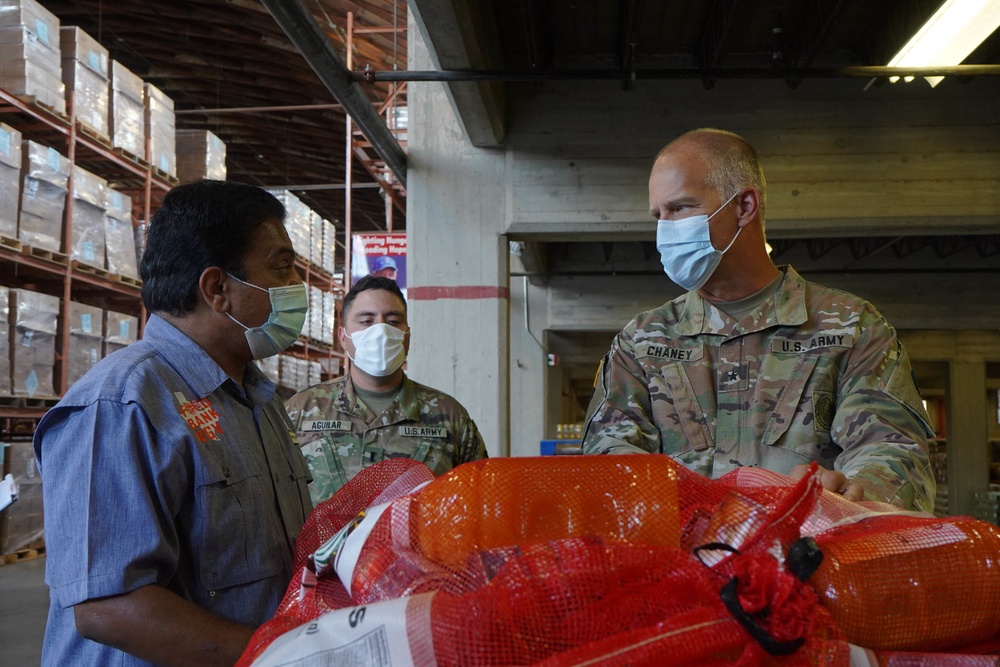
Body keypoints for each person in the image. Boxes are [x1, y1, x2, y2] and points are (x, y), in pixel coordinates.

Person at [33, 180, 313, 666]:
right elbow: (109, 607)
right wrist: (286, 655)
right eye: (282, 267)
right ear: (218, 289)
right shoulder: (124, 404)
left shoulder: (260, 400)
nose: (296, 288)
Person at [583, 128, 936, 513]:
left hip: (809, 560)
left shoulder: (850, 329)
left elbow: (892, 448)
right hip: (684, 565)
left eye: (681, 208)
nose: (665, 229)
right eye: (658, 215)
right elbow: (609, 460)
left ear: (745, 205)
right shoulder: (643, 342)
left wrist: (855, 489)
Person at [285, 275, 488, 505]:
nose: (380, 332)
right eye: (367, 321)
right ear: (343, 337)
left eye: (392, 321)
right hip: (324, 543)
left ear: (407, 336)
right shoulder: (300, 411)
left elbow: (478, 503)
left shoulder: (450, 417)